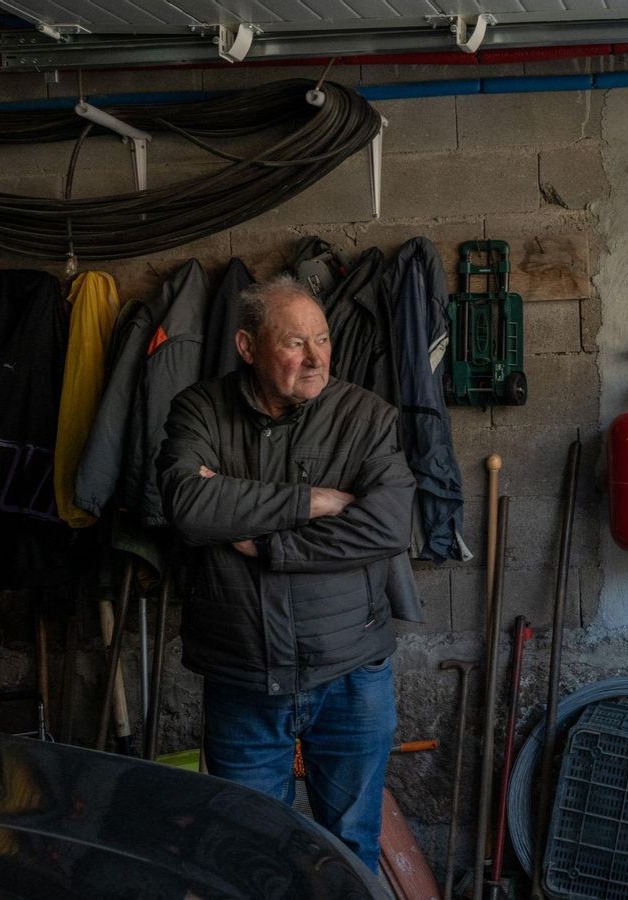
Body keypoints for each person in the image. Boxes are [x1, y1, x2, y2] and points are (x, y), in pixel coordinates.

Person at [157, 275, 416, 872]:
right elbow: (188, 506)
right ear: (248, 347)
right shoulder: (199, 410)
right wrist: (313, 500)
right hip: (242, 674)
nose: (316, 357)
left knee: (350, 848)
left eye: (322, 339)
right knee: (247, 852)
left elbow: (385, 528)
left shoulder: (365, 417)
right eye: (295, 343)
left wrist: (268, 545)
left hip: (349, 672)